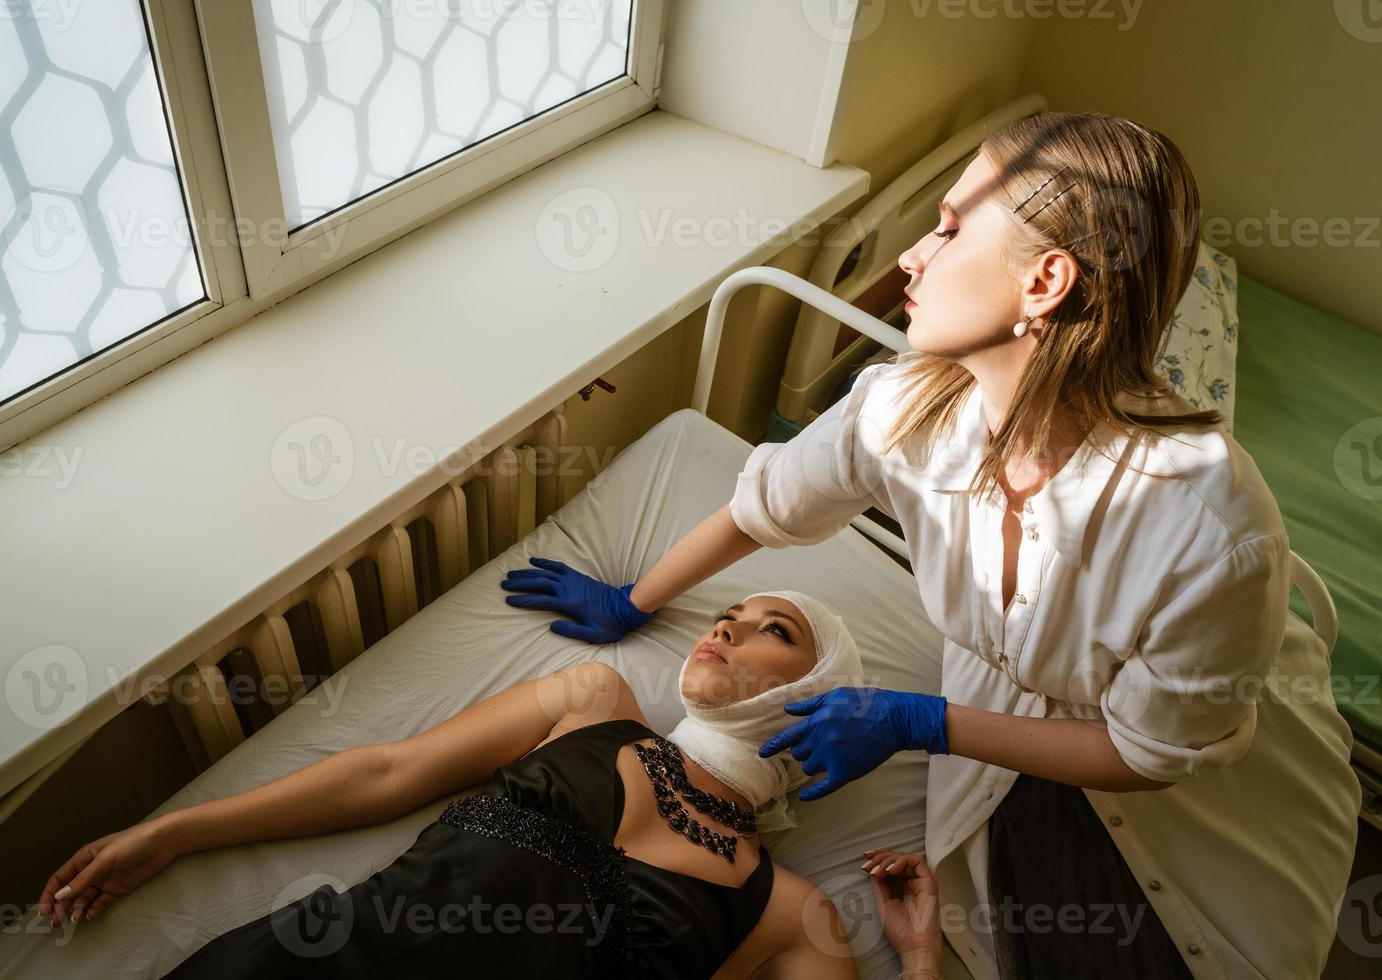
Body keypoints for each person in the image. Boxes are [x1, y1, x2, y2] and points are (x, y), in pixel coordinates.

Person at [498, 111, 1361, 979]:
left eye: (949, 229)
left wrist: (929, 722)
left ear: (1045, 282)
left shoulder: (1211, 536)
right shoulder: (905, 413)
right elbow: (764, 509)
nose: (911, 255)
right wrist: (633, 599)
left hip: (1190, 783)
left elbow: (1147, 753)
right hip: (1028, 741)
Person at [36, 591, 942, 978]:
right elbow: (389, 772)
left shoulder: (793, 914)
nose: (724, 631)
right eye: (726, 618)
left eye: (769, 629)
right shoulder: (595, 700)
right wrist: (177, 832)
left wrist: (921, 959)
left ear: (819, 691)